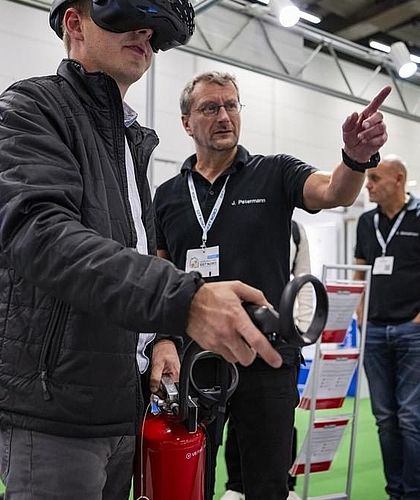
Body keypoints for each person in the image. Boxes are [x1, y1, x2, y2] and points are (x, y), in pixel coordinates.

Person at [0, 2, 284, 499]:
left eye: (151, 27)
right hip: (54, 404)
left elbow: (137, 250)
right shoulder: (29, 110)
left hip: (121, 397)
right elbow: (44, 237)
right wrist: (185, 301)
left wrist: (158, 337)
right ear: (74, 24)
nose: (143, 32)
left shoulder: (129, 140)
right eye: (122, 16)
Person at [153, 71, 390, 500]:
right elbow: (160, 273)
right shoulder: (168, 195)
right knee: (191, 482)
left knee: (267, 484)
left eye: (231, 105)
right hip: (194, 358)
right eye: (210, 108)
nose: (224, 116)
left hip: (267, 357)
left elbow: (333, 191)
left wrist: (355, 159)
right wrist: (162, 342)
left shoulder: (275, 173)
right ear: (186, 122)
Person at [222, 220, 312, 500]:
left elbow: (303, 282)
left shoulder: (295, 231)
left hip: (278, 342)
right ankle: (236, 484)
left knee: (279, 421)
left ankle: (286, 484)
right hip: (228, 339)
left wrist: (302, 329)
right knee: (236, 420)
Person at [353, 155, 420, 500]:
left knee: (410, 417)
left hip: (413, 332)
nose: (368, 185)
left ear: (398, 178)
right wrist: (361, 316)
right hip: (374, 332)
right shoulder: (366, 223)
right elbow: (359, 271)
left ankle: (412, 492)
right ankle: (395, 492)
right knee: (384, 418)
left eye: (375, 178)